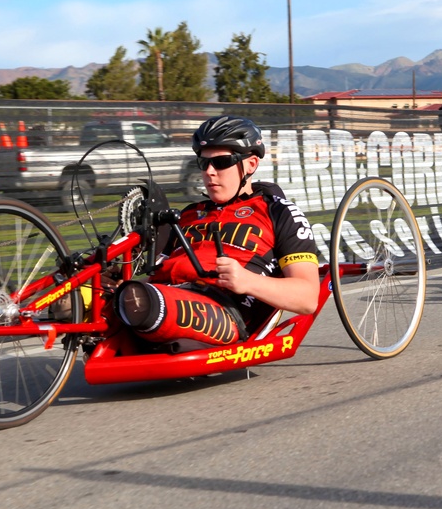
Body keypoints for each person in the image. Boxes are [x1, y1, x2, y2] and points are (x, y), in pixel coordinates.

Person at [113, 115, 320, 348]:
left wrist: (247, 281)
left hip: (221, 309)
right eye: (203, 163)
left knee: (142, 301)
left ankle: (133, 305)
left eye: (221, 162)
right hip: (160, 295)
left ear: (251, 164)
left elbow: (308, 296)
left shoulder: (279, 212)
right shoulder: (189, 214)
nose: (210, 172)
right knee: (82, 292)